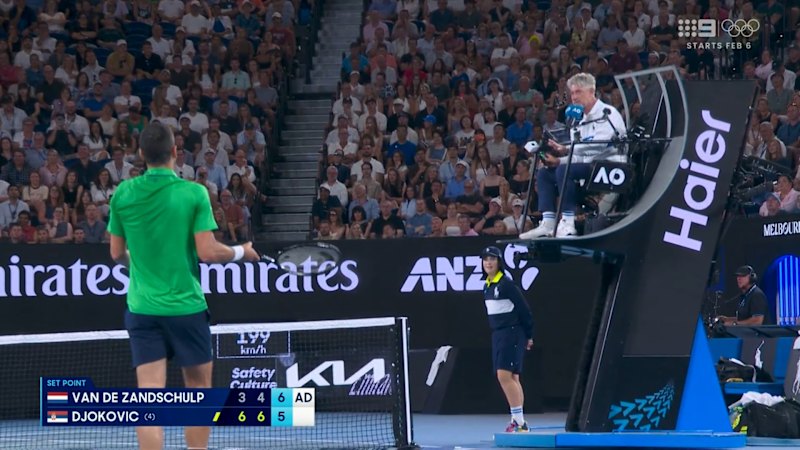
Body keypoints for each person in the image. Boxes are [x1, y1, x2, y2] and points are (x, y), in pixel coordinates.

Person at [107, 122, 259, 450]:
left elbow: (117, 253)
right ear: (176, 152)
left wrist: (144, 265)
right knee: (199, 394)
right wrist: (241, 252)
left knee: (149, 400)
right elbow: (208, 252)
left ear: (142, 155)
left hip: (143, 310)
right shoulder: (194, 193)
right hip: (186, 310)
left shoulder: (123, 193)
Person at [520, 72, 626, 239]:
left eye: (578, 92)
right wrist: (558, 160)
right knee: (545, 173)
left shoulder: (607, 113)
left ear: (591, 91)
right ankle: (548, 222)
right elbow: (579, 157)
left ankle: (568, 224)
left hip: (610, 166)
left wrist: (567, 149)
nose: (574, 97)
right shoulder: (578, 120)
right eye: (572, 93)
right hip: (588, 167)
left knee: (565, 170)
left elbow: (598, 146)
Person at [481, 246, 534, 433]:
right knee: (512, 377)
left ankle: (520, 423)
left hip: (512, 332)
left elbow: (524, 310)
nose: (488, 262)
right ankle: (517, 420)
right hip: (498, 334)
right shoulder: (487, 285)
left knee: (504, 376)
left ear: (499, 262)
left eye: (492, 259)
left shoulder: (506, 284)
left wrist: (528, 335)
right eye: (486, 259)